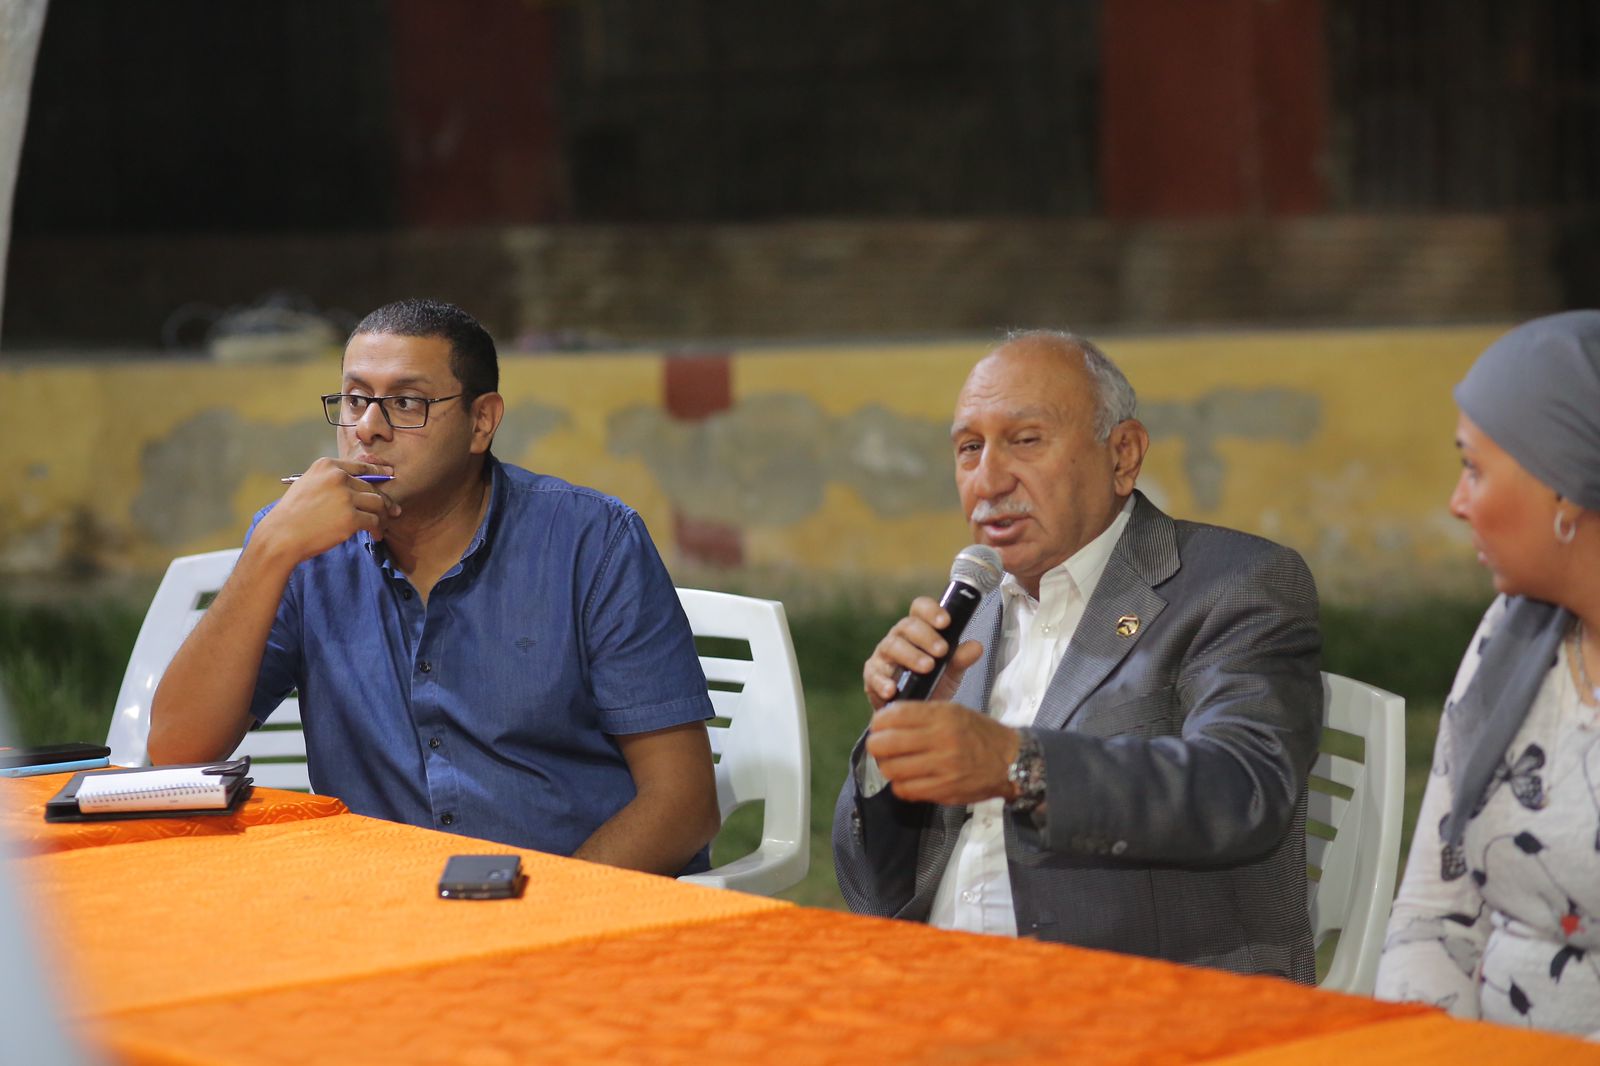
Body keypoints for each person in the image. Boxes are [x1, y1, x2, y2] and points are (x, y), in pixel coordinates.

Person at [148, 298, 720, 876]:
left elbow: (683, 804)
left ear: (481, 422)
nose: (368, 428)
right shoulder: (301, 548)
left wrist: (541, 908)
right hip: (381, 898)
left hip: (573, 894)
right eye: (355, 400)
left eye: (406, 403)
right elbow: (177, 749)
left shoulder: (592, 541)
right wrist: (269, 550)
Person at [832, 329, 1324, 981]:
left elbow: (1244, 789)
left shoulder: (1234, 583)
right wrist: (894, 741)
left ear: (1123, 455)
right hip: (941, 981)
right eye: (969, 448)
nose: (988, 480)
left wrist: (1016, 764)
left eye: (1025, 440)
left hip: (1142, 994)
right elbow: (869, 887)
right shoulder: (971, 611)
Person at [1376, 311, 1600, 1036]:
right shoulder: (1512, 635)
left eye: (1474, 468)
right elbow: (1432, 913)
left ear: (1567, 490)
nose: (1457, 502)